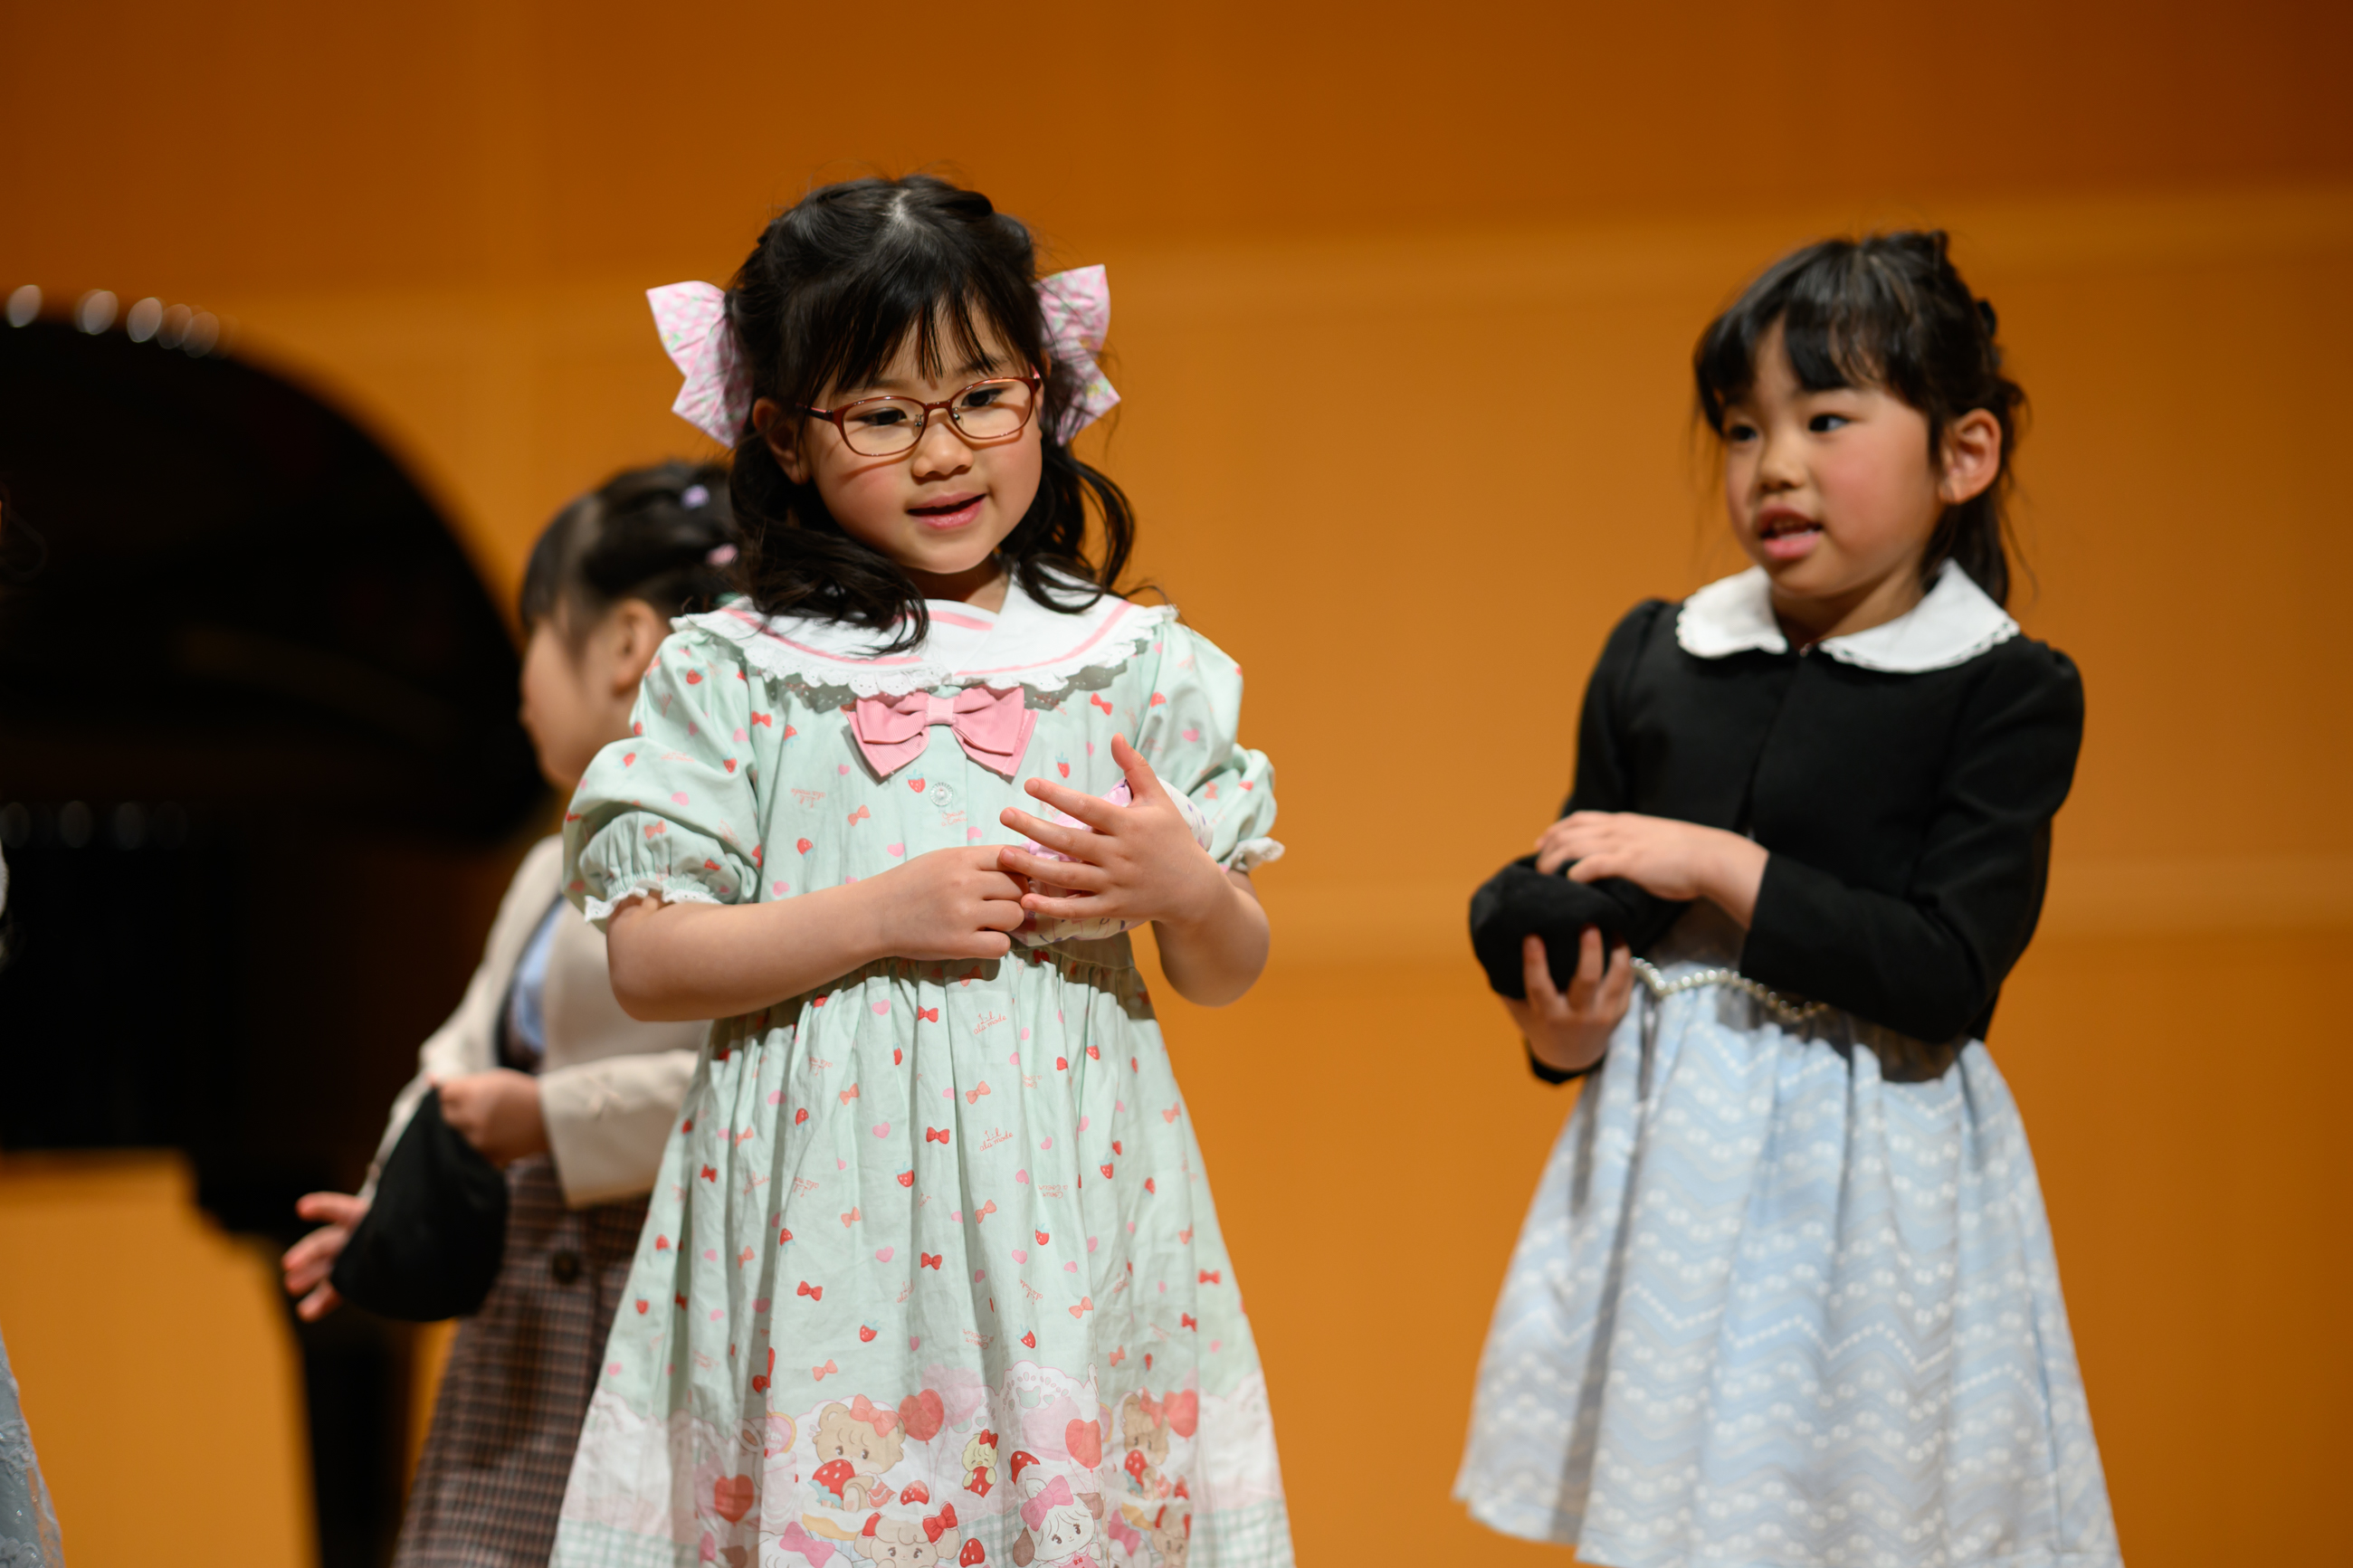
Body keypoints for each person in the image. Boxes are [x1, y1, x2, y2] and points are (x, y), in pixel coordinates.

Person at [548, 175, 1291, 1568]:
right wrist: (878, 914)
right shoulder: (740, 669)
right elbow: (648, 960)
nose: (942, 452)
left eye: (981, 399)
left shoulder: (1128, 660)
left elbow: (1229, 963)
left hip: (1073, 1211)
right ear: (782, 433)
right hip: (826, 1224)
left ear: (1049, 394)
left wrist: (1184, 888)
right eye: (882, 415)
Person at [1457, 233, 2121, 1567]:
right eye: (1744, 427)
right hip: (1672, 1159)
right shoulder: (1662, 649)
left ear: (1963, 454)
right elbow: (1590, 896)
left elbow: (1946, 971)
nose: (1776, 464)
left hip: (1873, 1171)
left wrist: (1714, 863)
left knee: (1864, 1516)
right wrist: (1562, 1032)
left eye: (1826, 417)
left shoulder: (2004, 688)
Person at [279, 462, 733, 1566]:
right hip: (526, 1328)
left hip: (669, 1307)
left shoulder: (744, 855)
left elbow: (753, 1082)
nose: (521, 682)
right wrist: (392, 1193)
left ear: (625, 643)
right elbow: (457, 1051)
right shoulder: (548, 864)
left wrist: (553, 1118)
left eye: (537, 634)